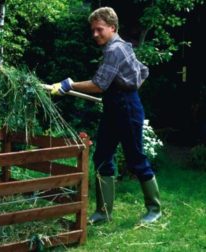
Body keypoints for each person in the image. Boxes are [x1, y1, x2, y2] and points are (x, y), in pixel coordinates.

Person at [50, 7, 161, 224]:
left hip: (127, 109)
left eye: (99, 29)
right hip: (114, 108)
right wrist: (126, 88)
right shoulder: (122, 47)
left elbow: (100, 84)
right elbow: (144, 71)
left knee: (136, 159)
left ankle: (154, 209)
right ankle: (103, 212)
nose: (95, 34)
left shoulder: (115, 50)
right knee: (101, 157)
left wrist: (69, 84)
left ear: (112, 27)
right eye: (93, 30)